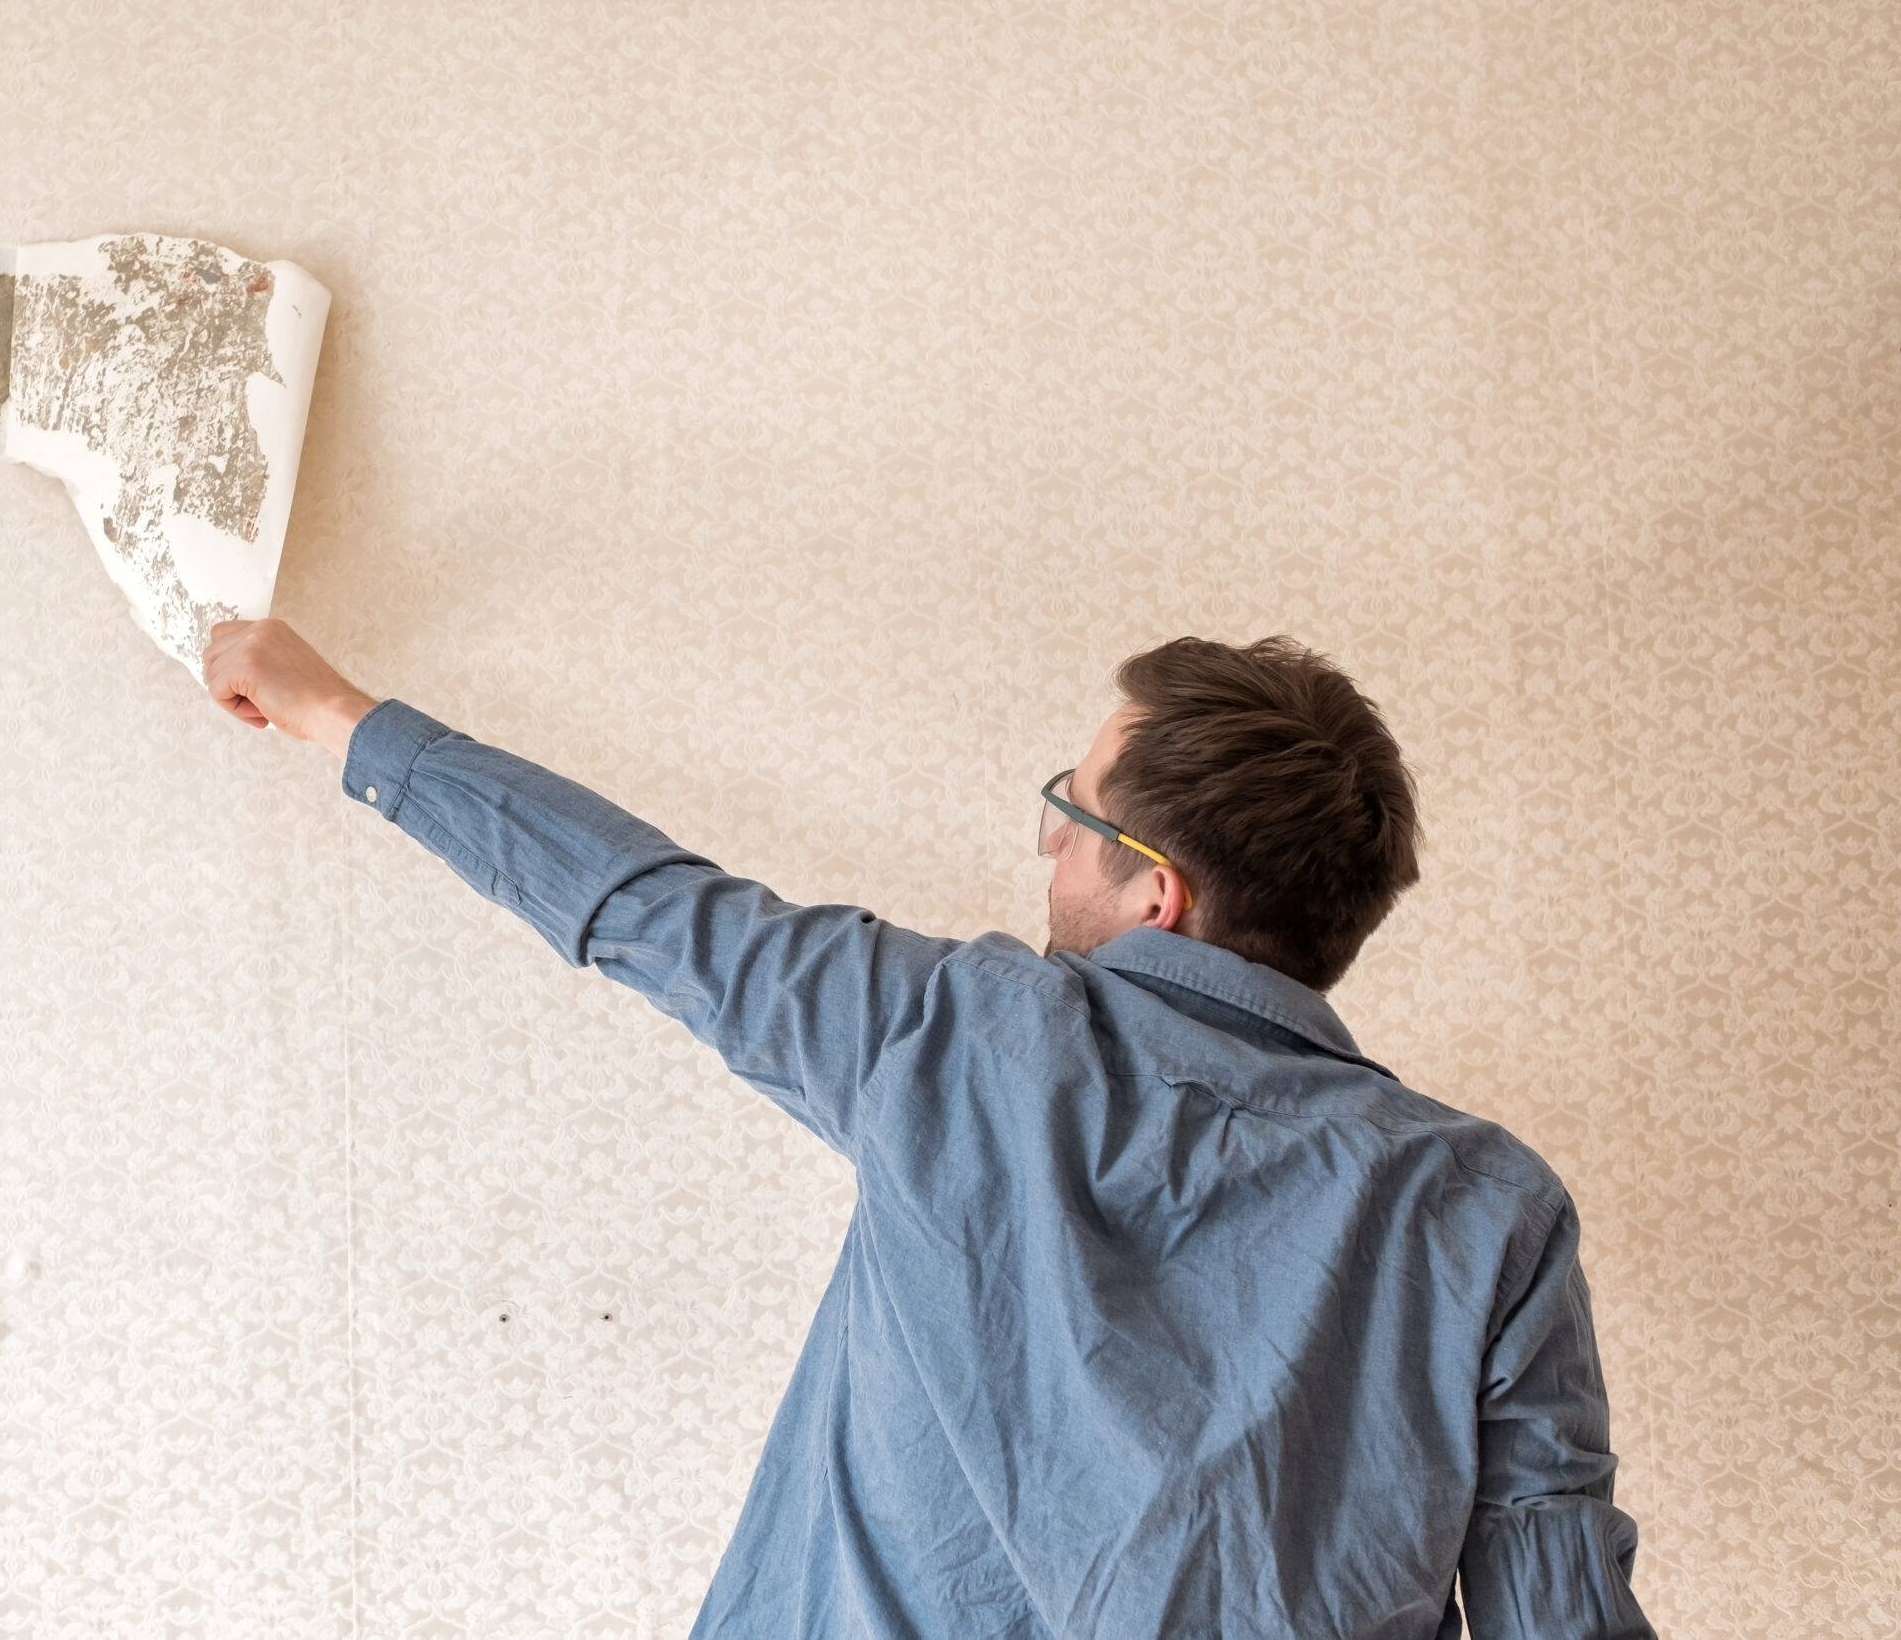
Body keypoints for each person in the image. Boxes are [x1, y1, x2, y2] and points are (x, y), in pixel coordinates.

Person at [200, 616, 1658, 1639]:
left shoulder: (958, 1033)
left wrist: (338, 712)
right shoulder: (1491, 1209)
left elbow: (643, 906)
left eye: (1069, 808)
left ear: (1161, 892)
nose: (1045, 839)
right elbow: (1557, 1613)